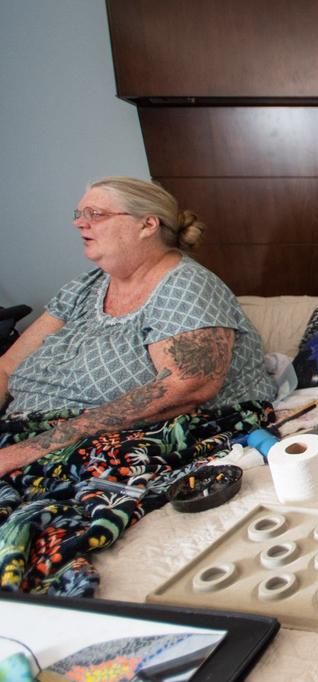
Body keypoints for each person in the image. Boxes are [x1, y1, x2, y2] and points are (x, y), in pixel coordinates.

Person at [0, 176, 275, 476]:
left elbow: (185, 389)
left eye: (96, 214)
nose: (80, 223)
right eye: (79, 215)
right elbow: (6, 368)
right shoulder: (82, 288)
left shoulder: (186, 287)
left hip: (73, 445)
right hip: (24, 429)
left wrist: (25, 451)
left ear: (147, 225)